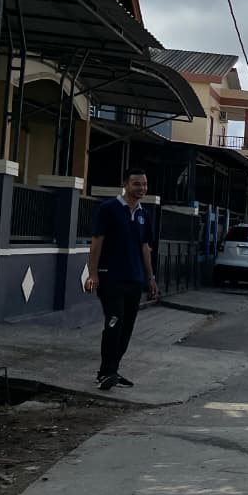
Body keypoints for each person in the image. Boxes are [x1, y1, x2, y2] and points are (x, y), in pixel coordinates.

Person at [84, 167, 159, 391]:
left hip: (135, 279)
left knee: (126, 328)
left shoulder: (145, 215)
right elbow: (96, 242)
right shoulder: (108, 209)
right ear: (125, 184)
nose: (141, 188)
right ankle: (105, 372)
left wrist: (150, 277)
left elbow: (145, 248)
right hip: (111, 278)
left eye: (144, 184)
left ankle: (112, 370)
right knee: (114, 322)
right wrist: (93, 273)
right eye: (137, 184)